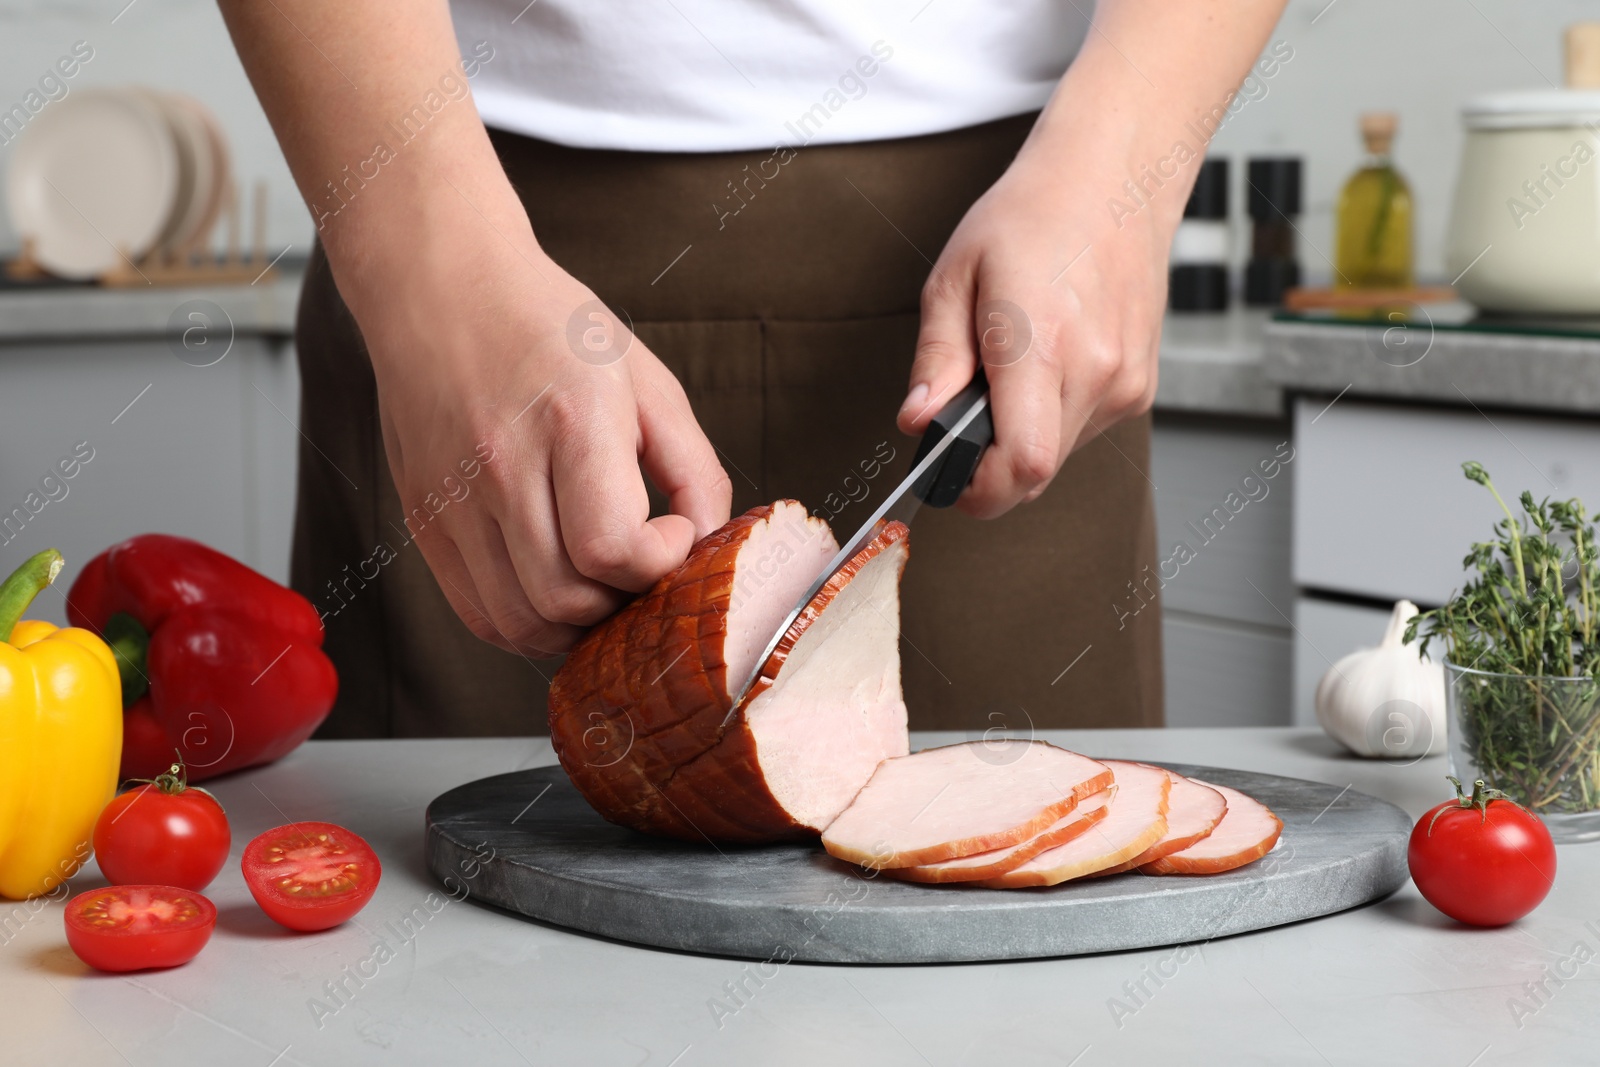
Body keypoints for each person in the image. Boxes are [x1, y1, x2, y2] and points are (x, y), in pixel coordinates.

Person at [219, 0, 1286, 738]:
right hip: (466, 243)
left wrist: (1125, 169)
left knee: (1030, 972)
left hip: (1010, 289)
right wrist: (428, 272)